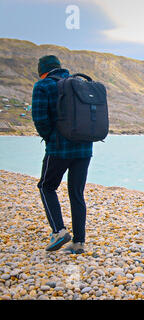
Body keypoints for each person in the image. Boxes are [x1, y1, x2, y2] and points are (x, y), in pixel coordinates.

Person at [32, 55, 92, 254]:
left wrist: (51, 138)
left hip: (59, 148)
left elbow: (40, 119)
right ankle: (79, 242)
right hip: (85, 147)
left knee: (46, 186)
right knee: (76, 192)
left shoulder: (43, 86)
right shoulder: (79, 83)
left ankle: (59, 231)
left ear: (43, 71)